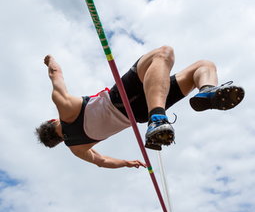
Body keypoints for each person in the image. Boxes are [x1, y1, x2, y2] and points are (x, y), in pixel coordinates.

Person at [35, 46, 244, 169]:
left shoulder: (77, 148)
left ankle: (207, 91)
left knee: (202, 66)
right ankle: (159, 117)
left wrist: (127, 163)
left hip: (141, 112)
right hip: (123, 96)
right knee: (164, 53)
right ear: (53, 121)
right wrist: (50, 59)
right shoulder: (66, 110)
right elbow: (56, 75)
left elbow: (101, 161)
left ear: (58, 141)